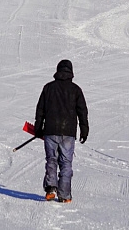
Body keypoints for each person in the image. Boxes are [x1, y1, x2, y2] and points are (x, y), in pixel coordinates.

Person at [34, 59, 89, 203]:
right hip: (68, 132)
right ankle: (64, 195)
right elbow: (82, 111)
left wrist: (38, 128)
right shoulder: (76, 90)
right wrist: (84, 129)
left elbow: (40, 110)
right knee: (66, 163)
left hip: (50, 130)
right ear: (71, 72)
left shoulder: (48, 88)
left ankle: (51, 188)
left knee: (51, 160)